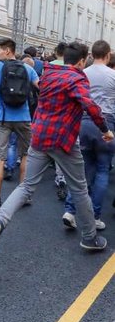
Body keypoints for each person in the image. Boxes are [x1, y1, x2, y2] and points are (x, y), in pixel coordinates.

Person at [0, 42, 114, 253]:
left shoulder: (49, 74)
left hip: (40, 135)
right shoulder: (76, 78)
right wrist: (105, 129)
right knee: (79, 188)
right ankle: (90, 237)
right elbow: (90, 105)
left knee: (25, 187)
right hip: (63, 139)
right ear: (81, 61)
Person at [62, 40, 115, 230]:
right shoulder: (113, 75)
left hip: (83, 122)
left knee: (81, 170)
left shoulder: (82, 73)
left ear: (91, 55)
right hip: (106, 123)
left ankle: (70, 210)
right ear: (108, 55)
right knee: (102, 170)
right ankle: (95, 216)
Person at [0, 38, 39, 214]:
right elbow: (39, 87)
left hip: (2, 117)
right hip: (23, 117)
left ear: (8, 50)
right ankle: (23, 195)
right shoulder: (27, 68)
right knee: (25, 154)